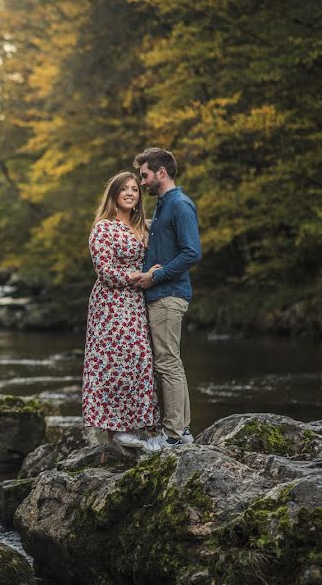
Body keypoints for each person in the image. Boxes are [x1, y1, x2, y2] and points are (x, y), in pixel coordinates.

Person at [82, 171, 159, 450]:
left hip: (136, 303)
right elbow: (105, 271)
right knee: (113, 362)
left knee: (139, 360)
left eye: (135, 189)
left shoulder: (143, 227)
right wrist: (140, 276)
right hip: (110, 303)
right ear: (114, 193)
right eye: (124, 189)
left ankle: (137, 425)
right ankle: (115, 430)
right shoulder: (103, 227)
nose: (130, 193)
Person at [130, 147, 201, 449]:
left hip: (169, 295)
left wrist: (154, 277)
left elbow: (191, 253)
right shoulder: (163, 205)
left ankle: (173, 435)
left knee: (167, 363)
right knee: (170, 362)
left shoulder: (180, 204)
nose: (142, 182)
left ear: (160, 172)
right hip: (161, 296)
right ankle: (181, 431)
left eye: (144, 176)